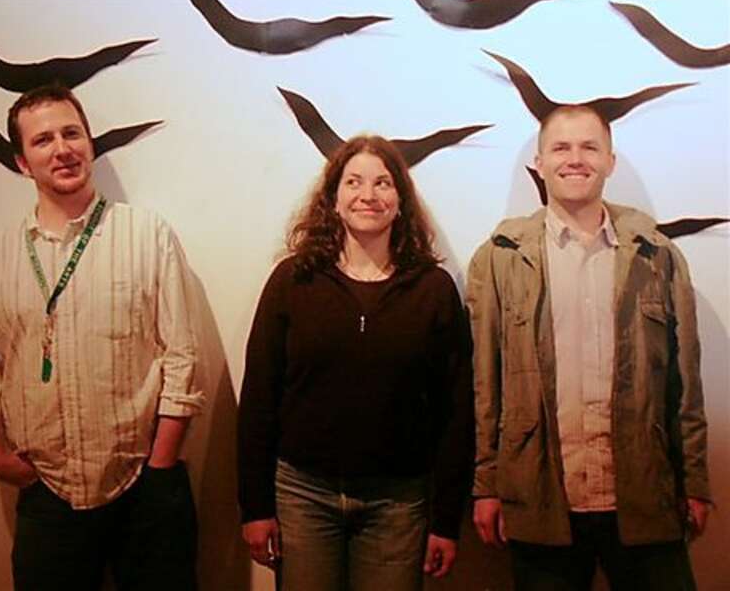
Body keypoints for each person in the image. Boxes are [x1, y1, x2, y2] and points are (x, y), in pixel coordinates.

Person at [0, 83, 204, 591]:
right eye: (43, 140)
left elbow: (183, 358)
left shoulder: (147, 235)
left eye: (72, 133)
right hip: (49, 495)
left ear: (90, 143)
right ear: (22, 162)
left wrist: (160, 465)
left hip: (147, 486)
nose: (63, 149)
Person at [465, 104, 711, 590]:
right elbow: (483, 384)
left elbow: (685, 383)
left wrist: (696, 481)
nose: (574, 159)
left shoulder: (656, 254)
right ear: (538, 162)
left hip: (643, 495)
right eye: (560, 147)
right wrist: (485, 484)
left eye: (588, 147)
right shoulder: (500, 258)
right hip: (540, 499)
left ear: (610, 161)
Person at [237, 135, 474, 591]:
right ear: (334, 199)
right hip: (303, 494)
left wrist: (446, 519)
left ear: (401, 201)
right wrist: (255, 508)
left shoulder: (434, 290)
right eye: (354, 182)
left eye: (384, 183)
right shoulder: (293, 280)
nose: (369, 195)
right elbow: (259, 400)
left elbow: (455, 412)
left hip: (399, 503)